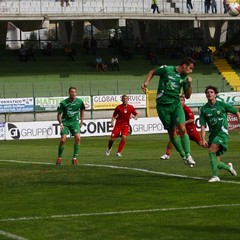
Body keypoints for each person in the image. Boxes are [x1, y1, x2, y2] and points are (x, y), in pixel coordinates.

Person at [141, 57, 196, 166]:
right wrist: (146, 82)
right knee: (171, 132)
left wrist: (189, 84)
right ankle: (183, 155)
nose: (191, 71)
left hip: (176, 104)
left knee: (182, 127)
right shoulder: (167, 69)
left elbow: (188, 96)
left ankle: (188, 155)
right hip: (162, 106)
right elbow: (152, 71)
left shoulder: (185, 78)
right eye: (190, 68)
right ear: (184, 65)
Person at [200, 85, 240, 182]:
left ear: (215, 94)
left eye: (211, 92)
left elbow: (236, 112)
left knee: (211, 151)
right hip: (212, 135)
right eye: (207, 92)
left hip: (222, 133)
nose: (209, 94)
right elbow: (202, 125)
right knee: (216, 163)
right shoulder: (204, 109)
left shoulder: (222, 105)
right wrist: (203, 139)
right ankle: (229, 168)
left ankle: (215, 176)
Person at [161, 95, 202, 160]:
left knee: (200, 143)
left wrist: (182, 123)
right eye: (179, 100)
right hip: (181, 128)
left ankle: (213, 148)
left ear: (184, 102)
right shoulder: (176, 108)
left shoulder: (186, 109)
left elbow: (192, 119)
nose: (180, 102)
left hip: (190, 129)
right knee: (173, 137)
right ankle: (167, 154)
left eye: (182, 100)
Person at [56, 87, 85, 165]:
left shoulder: (79, 101)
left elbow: (82, 110)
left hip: (75, 122)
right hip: (65, 123)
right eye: (72, 92)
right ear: (69, 93)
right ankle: (59, 157)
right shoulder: (64, 103)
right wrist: (60, 123)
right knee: (63, 140)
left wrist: (82, 121)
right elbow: (59, 114)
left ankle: (74, 158)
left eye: (75, 92)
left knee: (78, 138)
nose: (73, 93)